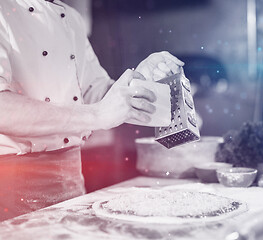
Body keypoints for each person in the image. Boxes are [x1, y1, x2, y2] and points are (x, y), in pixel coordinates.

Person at [0, 0, 183, 221]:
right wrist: (97, 115)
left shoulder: (71, 18)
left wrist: (140, 80)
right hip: (11, 186)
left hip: (71, 180)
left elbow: (96, 92)